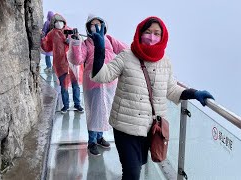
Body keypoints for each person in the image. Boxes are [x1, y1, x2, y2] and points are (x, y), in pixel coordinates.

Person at [90, 16, 214, 179]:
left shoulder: (165, 62)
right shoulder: (126, 56)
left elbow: (171, 89)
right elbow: (101, 76)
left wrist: (193, 93)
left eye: (157, 33)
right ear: (140, 33)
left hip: (150, 129)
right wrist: (99, 50)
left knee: (138, 166)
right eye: (148, 32)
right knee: (132, 172)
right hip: (125, 126)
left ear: (163, 37)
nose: (152, 37)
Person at [67, 14, 128, 156]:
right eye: (93, 24)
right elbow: (76, 60)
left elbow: (126, 50)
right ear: (88, 28)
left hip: (110, 82)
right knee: (94, 112)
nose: (96, 27)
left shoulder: (110, 40)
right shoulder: (86, 44)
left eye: (99, 24)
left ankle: (100, 137)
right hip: (93, 83)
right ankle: (92, 142)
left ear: (104, 26)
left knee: (105, 111)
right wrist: (75, 43)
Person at [41, 13, 84, 113]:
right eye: (56, 22)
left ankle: (77, 104)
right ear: (53, 23)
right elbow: (47, 47)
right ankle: (66, 105)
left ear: (64, 22)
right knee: (64, 86)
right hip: (60, 64)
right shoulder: (51, 34)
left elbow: (79, 42)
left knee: (75, 85)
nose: (58, 23)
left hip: (72, 63)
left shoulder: (69, 30)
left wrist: (73, 39)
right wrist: (43, 38)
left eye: (60, 21)